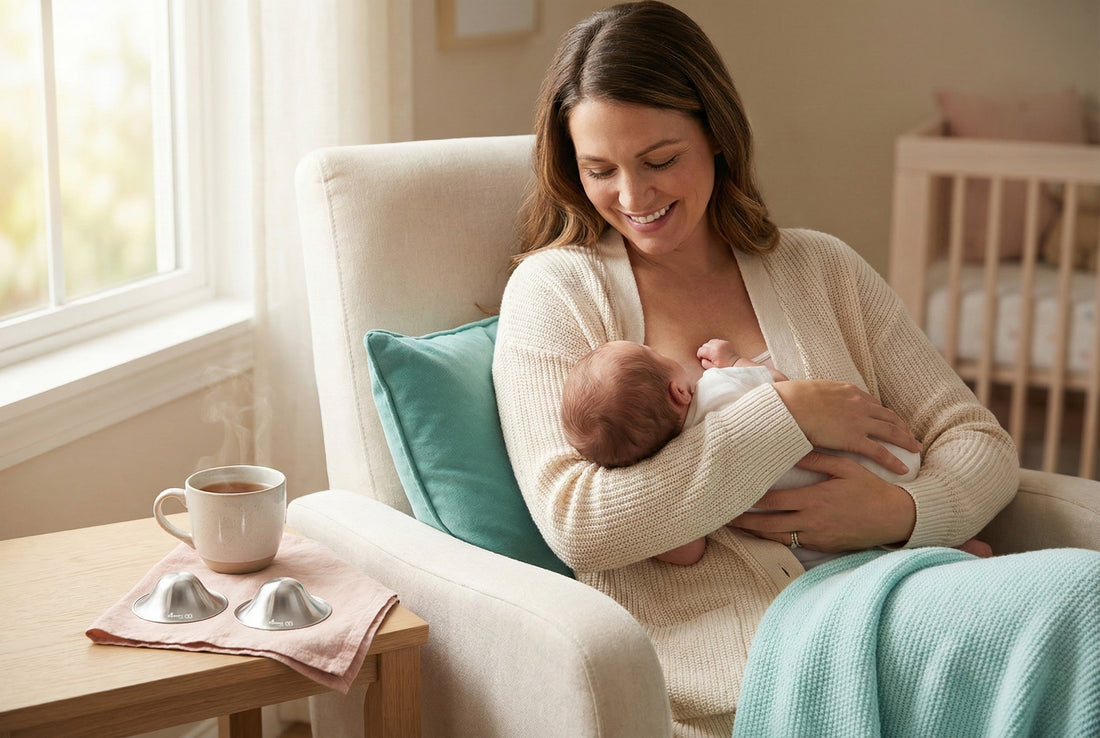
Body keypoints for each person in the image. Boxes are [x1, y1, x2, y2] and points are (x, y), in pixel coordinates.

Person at [491, 2, 1100, 735]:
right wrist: (787, 415)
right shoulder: (556, 291)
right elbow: (580, 521)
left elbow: (976, 440)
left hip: (895, 590)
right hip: (759, 653)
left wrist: (903, 514)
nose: (633, 196)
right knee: (1083, 598)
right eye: (599, 170)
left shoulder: (821, 268)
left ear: (716, 136)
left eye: (659, 160)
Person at [561, 338, 991, 568]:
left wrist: (657, 540)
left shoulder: (675, 477)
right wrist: (734, 358)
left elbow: (686, 551)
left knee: (835, 557)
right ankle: (949, 551)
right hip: (889, 458)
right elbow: (781, 384)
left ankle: (948, 554)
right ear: (678, 390)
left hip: (819, 554)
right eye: (656, 354)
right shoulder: (720, 385)